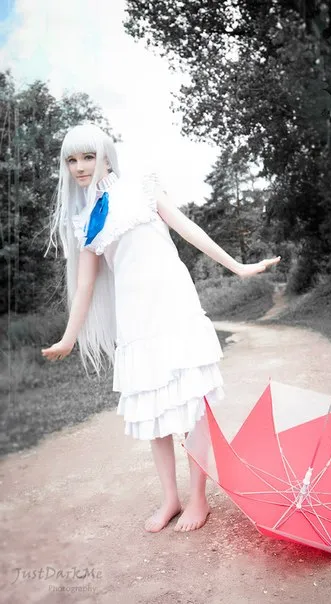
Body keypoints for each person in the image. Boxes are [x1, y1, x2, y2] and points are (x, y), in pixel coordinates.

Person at [41, 123, 281, 533]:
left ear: (106, 156)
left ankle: (199, 498)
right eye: (72, 160)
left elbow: (190, 231)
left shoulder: (142, 187)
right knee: (154, 411)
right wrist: (68, 337)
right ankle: (170, 497)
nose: (80, 167)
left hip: (173, 305)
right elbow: (84, 286)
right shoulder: (87, 221)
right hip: (135, 319)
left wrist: (238, 267)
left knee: (191, 405)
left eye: (88, 156)